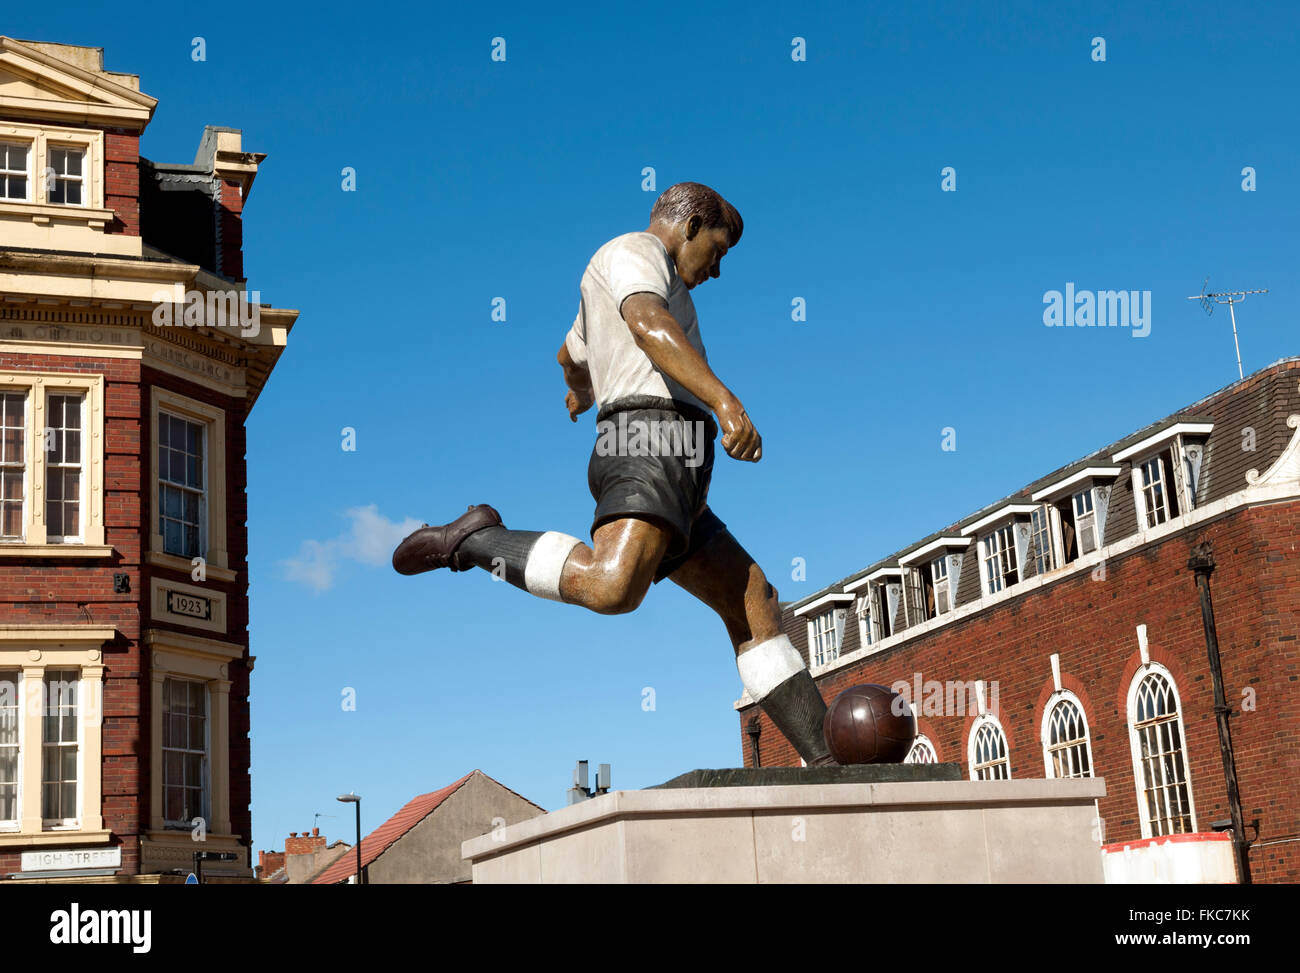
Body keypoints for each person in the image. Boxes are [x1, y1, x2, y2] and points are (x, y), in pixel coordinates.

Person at [392, 181, 835, 766]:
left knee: (753, 597)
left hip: (681, 465)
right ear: (690, 227)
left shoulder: (642, 279)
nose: (718, 271)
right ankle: (474, 541)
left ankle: (829, 763)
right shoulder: (634, 252)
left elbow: (569, 355)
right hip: (649, 441)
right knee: (612, 587)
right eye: (719, 252)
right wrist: (727, 403)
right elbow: (647, 323)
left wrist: (581, 390)